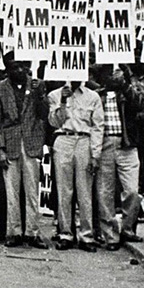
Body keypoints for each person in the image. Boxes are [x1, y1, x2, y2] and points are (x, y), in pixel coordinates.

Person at [0, 51, 49, 249]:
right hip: (10, 144)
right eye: (15, 67)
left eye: (23, 66)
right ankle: (13, 232)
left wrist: (40, 94)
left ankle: (32, 232)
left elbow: (44, 114)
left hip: (31, 143)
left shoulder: (37, 85)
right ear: (7, 69)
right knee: (11, 192)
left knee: (32, 192)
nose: (20, 70)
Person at [47, 76, 103, 252]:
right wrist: (63, 101)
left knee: (84, 190)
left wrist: (95, 154)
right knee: (64, 190)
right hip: (63, 139)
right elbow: (54, 122)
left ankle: (86, 235)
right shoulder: (55, 95)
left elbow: (97, 127)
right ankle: (65, 233)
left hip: (84, 141)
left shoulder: (93, 96)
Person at [91, 64, 143, 250]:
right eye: (110, 73)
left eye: (117, 72)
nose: (114, 75)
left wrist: (125, 85)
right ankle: (110, 236)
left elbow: (139, 102)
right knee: (105, 192)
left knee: (131, 190)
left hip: (126, 145)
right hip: (104, 145)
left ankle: (127, 229)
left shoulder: (128, 93)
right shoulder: (97, 95)